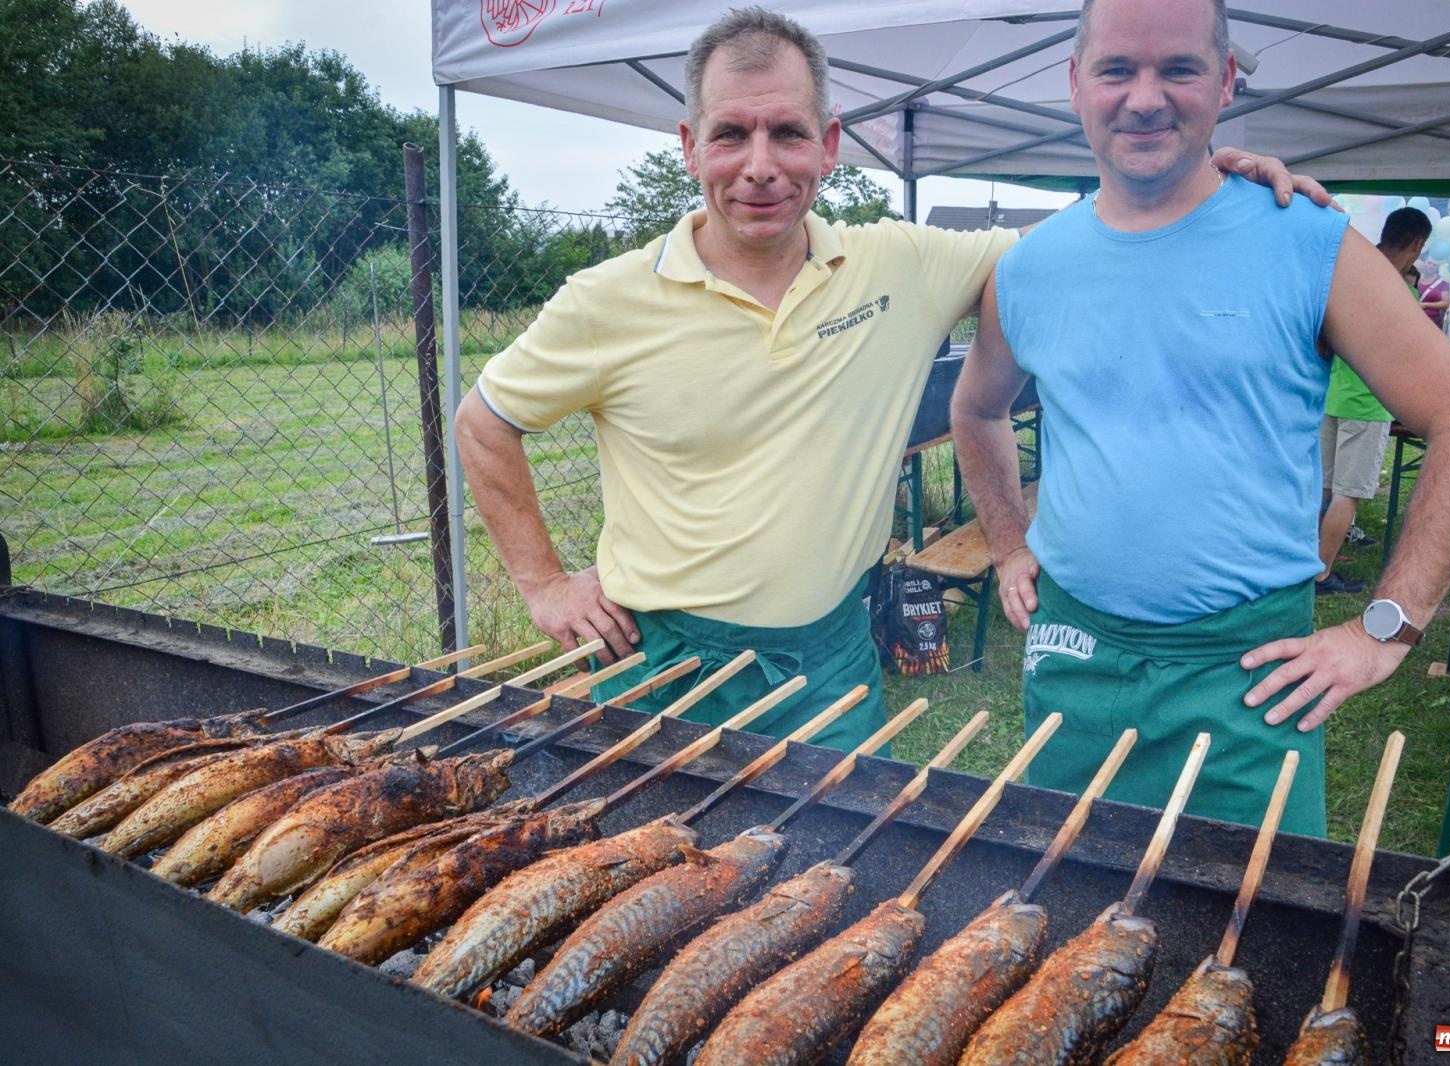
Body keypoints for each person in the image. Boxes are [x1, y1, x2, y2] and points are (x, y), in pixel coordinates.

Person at [454, 6, 1329, 753]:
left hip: (834, 657)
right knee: (649, 906)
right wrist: (543, 584)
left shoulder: (897, 264)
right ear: (690, 147)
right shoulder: (606, 300)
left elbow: (1079, 250)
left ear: (828, 145)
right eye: (731, 134)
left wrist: (1201, 189)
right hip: (666, 663)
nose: (760, 164)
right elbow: (485, 422)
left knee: (828, 901)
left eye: (788, 132)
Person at [951, 0, 1450, 835]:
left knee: (1251, 941)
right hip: (1075, 660)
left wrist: (1386, 628)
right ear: (1075, 85)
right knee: (1062, 915)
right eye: (1116, 70)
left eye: (1178, 68)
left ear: (1225, 82)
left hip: (1246, 674)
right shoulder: (1030, 267)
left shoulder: (1306, 239)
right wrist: (1005, 543)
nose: (1144, 98)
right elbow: (977, 407)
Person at [1315, 207, 1434, 597]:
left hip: (1332, 395)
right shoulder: (1401, 291)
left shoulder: (1351, 269)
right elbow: (1407, 358)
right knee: (1348, 494)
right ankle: (1320, 575)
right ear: (1416, 245)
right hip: (1366, 404)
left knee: (1321, 489)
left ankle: (1303, 564)